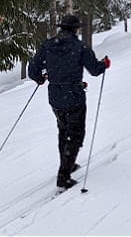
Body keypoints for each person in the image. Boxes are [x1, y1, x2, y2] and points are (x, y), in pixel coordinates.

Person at [28, 15, 110, 190]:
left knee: (63, 130)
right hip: (74, 96)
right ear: (75, 29)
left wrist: (40, 78)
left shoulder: (48, 45)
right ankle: (63, 176)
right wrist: (104, 64)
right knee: (75, 134)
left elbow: (33, 69)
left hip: (55, 97)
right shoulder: (79, 47)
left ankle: (68, 164)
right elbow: (95, 70)